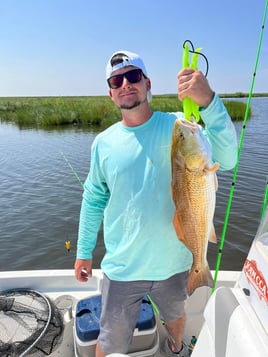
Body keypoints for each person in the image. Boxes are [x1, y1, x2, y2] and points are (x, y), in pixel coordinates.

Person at [74, 50, 237, 357]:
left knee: (176, 319)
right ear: (110, 92)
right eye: (117, 80)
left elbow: (227, 159)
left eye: (133, 76)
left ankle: (175, 348)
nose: (126, 84)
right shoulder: (103, 143)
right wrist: (83, 252)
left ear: (148, 83)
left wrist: (209, 102)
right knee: (110, 341)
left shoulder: (181, 125)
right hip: (123, 267)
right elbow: (94, 198)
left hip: (175, 264)